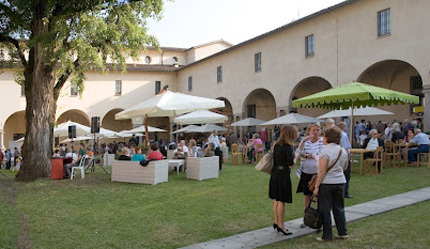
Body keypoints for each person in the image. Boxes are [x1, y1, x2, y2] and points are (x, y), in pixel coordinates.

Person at [313, 126, 349, 242]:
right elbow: (345, 167)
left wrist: (317, 186)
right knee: (339, 207)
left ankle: (327, 235)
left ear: (328, 137)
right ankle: (342, 231)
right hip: (340, 181)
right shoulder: (342, 150)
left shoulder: (325, 151)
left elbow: (322, 171)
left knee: (325, 209)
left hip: (327, 183)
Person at [269, 125, 298, 236]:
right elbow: (291, 164)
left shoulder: (277, 145)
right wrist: (296, 157)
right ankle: (281, 225)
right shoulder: (287, 146)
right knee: (281, 200)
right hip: (283, 174)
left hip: (275, 173)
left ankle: (276, 221)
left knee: (277, 199)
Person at [295, 123, 325, 228]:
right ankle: (306, 217)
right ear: (309, 131)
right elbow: (298, 153)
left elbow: (322, 154)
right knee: (306, 194)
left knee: (317, 195)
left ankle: (317, 217)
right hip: (306, 170)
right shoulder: (305, 141)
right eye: (314, 130)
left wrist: (313, 156)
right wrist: (306, 152)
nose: (315, 132)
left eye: (318, 130)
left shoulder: (322, 142)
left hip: (317, 171)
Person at [338, 122, 352, 198]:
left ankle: (343, 191)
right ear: (343, 127)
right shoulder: (343, 135)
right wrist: (347, 157)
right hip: (344, 157)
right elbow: (345, 147)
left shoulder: (340, 135)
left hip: (341, 156)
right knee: (346, 174)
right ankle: (344, 192)